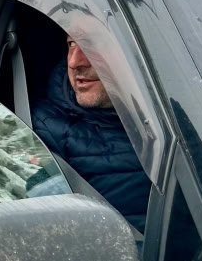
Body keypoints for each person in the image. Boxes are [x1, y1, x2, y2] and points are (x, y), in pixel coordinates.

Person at [32, 36, 151, 230]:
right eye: (71, 44)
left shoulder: (180, 119)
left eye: (93, 43)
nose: (74, 62)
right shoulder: (41, 132)